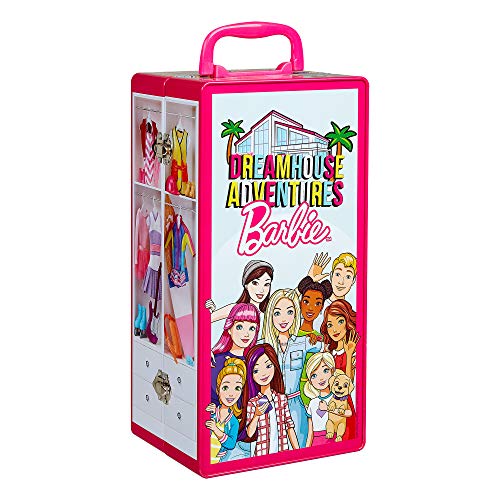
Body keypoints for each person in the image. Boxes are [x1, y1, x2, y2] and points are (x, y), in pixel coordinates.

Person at [261, 288, 323, 448]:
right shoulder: (263, 346)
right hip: (270, 405)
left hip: (296, 405)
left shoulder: (303, 342)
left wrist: (315, 336)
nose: (283, 319)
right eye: (277, 313)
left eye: (289, 312)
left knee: (300, 447)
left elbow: (325, 344)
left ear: (296, 314)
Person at [241, 344, 299, 456]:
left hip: (282, 452)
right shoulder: (253, 402)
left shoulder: (281, 399)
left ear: (275, 366)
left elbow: (289, 427)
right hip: (262, 455)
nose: (263, 373)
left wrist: (298, 451)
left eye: (268, 366)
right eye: (256, 370)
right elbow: (249, 433)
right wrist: (256, 415)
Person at [319, 299, 360, 440]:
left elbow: (349, 381)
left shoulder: (351, 351)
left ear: (348, 322)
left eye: (340, 322)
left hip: (344, 402)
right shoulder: (328, 351)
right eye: (330, 325)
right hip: (328, 403)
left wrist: (349, 354)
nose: (335, 329)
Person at [205, 358, 246, 463]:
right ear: (218, 389)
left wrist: (216, 429)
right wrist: (207, 413)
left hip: (219, 460)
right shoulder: (212, 412)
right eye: (225, 387)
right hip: (204, 456)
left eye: (237, 388)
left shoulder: (233, 422)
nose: (231, 394)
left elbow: (231, 444)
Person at [205, 260, 274, 322]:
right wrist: (211, 311)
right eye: (255, 283)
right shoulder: (235, 309)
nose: (261, 290)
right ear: (246, 285)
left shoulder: (271, 314)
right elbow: (206, 320)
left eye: (266, 284)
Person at [302, 352, 337, 446]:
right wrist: (307, 449)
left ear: (332, 371)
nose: (321, 378)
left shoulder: (336, 398)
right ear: (310, 381)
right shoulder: (313, 403)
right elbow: (310, 431)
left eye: (325, 371)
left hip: (334, 440)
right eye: (314, 375)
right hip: (316, 442)